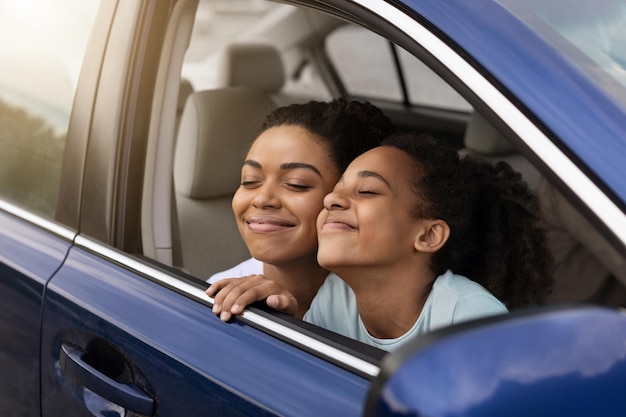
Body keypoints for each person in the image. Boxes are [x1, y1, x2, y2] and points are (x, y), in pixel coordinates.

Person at [209, 132, 554, 351]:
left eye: (367, 191)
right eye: (336, 190)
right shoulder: (335, 299)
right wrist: (286, 323)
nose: (332, 200)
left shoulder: (469, 318)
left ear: (428, 235)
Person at [206, 99, 396, 320]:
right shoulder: (218, 298)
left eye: (297, 184)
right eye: (250, 181)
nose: (262, 198)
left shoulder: (390, 308)